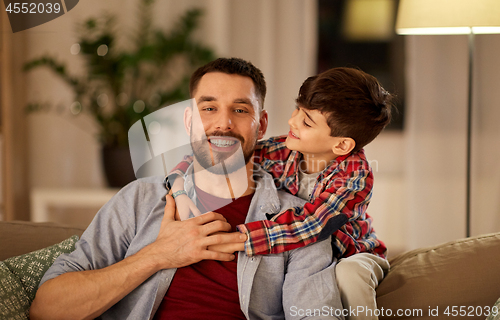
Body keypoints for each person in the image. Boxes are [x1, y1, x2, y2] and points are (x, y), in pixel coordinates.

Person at [30, 57, 343, 320]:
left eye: (240, 109)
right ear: (189, 120)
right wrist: (157, 255)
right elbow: (47, 309)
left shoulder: (300, 222)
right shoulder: (139, 199)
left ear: (261, 124)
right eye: (209, 109)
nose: (224, 124)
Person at [170, 67, 394, 319]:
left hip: (351, 253)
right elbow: (208, 154)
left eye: (307, 121)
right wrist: (179, 189)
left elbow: (312, 224)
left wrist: (238, 238)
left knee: (349, 276)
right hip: (301, 257)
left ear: (341, 144)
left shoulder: (356, 175)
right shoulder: (281, 149)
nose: (292, 121)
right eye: (298, 110)